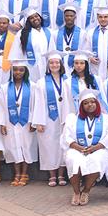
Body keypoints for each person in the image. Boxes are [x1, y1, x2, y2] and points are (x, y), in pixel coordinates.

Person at [61, 89, 108, 206]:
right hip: (77, 149)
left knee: (97, 160)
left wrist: (95, 148)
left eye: (92, 102)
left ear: (97, 103)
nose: (89, 105)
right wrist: (79, 148)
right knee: (73, 160)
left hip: (99, 149)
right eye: (86, 103)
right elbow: (66, 137)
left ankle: (86, 191)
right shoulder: (72, 119)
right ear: (82, 106)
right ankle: (76, 192)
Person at [31, 50, 72, 187]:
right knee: (48, 146)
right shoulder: (41, 83)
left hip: (64, 118)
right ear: (48, 65)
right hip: (47, 119)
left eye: (57, 62)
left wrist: (70, 119)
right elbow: (38, 103)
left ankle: (61, 175)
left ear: (61, 64)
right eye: (52, 63)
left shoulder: (68, 81)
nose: (54, 65)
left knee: (62, 146)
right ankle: (52, 175)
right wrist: (39, 122)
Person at [0, 60, 37, 187]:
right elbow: (0, 107)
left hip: (27, 122)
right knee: (13, 147)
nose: (18, 72)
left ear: (25, 71)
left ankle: (25, 174)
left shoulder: (33, 86)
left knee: (26, 146)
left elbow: (36, 106)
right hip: (10, 122)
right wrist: (2, 123)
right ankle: (17, 174)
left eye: (21, 70)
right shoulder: (4, 88)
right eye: (15, 70)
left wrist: (34, 122)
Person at [14, 7, 52, 81]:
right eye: (31, 18)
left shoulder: (49, 32)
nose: (35, 19)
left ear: (40, 17)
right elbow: (17, 53)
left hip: (46, 65)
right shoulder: (22, 34)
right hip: (29, 67)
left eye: (36, 16)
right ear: (28, 21)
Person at [85, 5, 108, 81]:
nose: (103, 19)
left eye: (105, 17)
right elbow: (86, 50)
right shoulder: (90, 33)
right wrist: (90, 58)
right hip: (96, 68)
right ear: (97, 18)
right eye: (100, 17)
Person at [54, 2, 83, 70]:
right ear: (64, 17)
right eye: (66, 16)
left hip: (76, 67)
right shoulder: (55, 33)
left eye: (71, 16)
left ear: (75, 17)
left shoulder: (82, 33)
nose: (69, 18)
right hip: (60, 67)